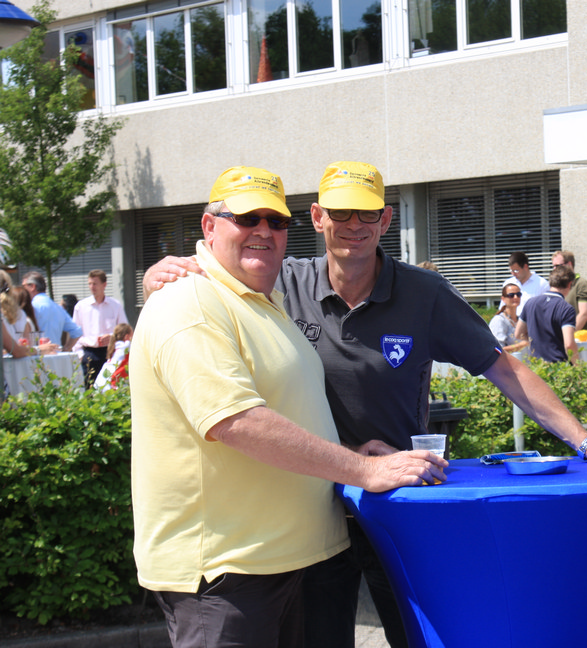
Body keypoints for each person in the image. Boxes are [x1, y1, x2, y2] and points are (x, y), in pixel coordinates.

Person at [143, 160, 587, 648]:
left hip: (395, 505)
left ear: (386, 219)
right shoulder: (279, 282)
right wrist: (166, 277)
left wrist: (585, 441)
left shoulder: (423, 293)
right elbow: (215, 290)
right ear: (318, 217)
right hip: (312, 520)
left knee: (419, 637)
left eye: (367, 212)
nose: (354, 224)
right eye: (341, 211)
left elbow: (505, 368)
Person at [131, 166, 446, 648]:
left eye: (276, 221)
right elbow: (236, 422)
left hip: (288, 565)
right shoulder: (189, 302)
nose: (263, 231)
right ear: (209, 226)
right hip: (228, 574)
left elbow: (286, 416)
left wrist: (351, 450)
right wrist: (364, 470)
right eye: (246, 218)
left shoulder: (265, 302)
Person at [72, 269, 130, 389]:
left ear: (104, 285)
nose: (92, 287)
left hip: (110, 352)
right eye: (90, 283)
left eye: (95, 284)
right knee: (89, 389)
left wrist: (112, 337)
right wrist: (80, 355)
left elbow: (125, 329)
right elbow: (75, 333)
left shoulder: (115, 305)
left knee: (111, 388)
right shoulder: (81, 306)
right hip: (89, 353)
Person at [515, 265, 577, 364]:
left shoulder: (530, 303)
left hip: (536, 365)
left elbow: (518, 334)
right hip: (558, 366)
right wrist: (578, 366)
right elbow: (569, 344)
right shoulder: (566, 309)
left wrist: (535, 342)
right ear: (569, 284)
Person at [21, 271, 82, 352]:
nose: (22, 290)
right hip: (55, 355)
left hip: (36, 355)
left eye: (23, 286)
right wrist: (65, 350)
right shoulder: (58, 308)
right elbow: (77, 331)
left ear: (32, 286)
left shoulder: (31, 306)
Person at [551, 250, 587, 335]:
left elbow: (584, 315)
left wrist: (566, 336)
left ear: (569, 264)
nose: (554, 269)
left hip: (580, 340)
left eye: (557, 266)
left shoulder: (582, 285)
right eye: (553, 266)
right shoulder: (557, 287)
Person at [489, 280, 528, 353]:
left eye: (518, 294)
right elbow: (497, 350)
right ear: (503, 299)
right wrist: (521, 345)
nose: (515, 297)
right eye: (511, 295)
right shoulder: (499, 320)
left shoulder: (521, 320)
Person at [93, 322, 133, 391]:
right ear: (127, 337)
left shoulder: (115, 347)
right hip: (110, 383)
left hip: (101, 381)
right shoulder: (126, 346)